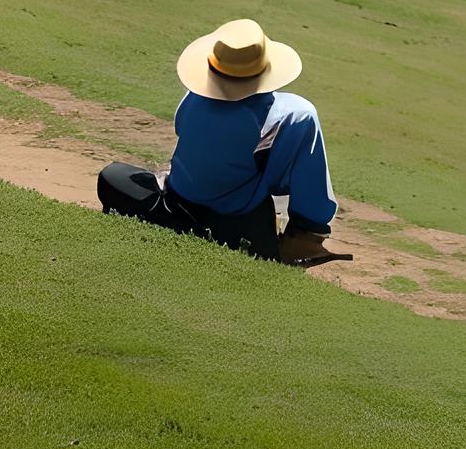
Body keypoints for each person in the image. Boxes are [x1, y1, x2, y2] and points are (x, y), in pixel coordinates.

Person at [98, 17, 341, 264]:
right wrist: (311, 227)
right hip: (236, 223)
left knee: (113, 174)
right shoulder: (296, 115)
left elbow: (184, 133)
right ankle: (299, 243)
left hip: (177, 202)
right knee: (296, 216)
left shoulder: (195, 96)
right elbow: (306, 191)